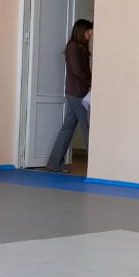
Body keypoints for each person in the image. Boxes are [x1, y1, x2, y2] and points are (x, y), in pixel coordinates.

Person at [46, 18, 92, 173]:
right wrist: (92, 81)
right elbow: (78, 71)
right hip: (76, 93)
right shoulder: (73, 47)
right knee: (87, 126)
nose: (90, 34)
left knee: (68, 128)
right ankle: (95, 165)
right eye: (88, 31)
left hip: (78, 93)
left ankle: (54, 163)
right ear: (81, 31)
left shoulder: (81, 47)